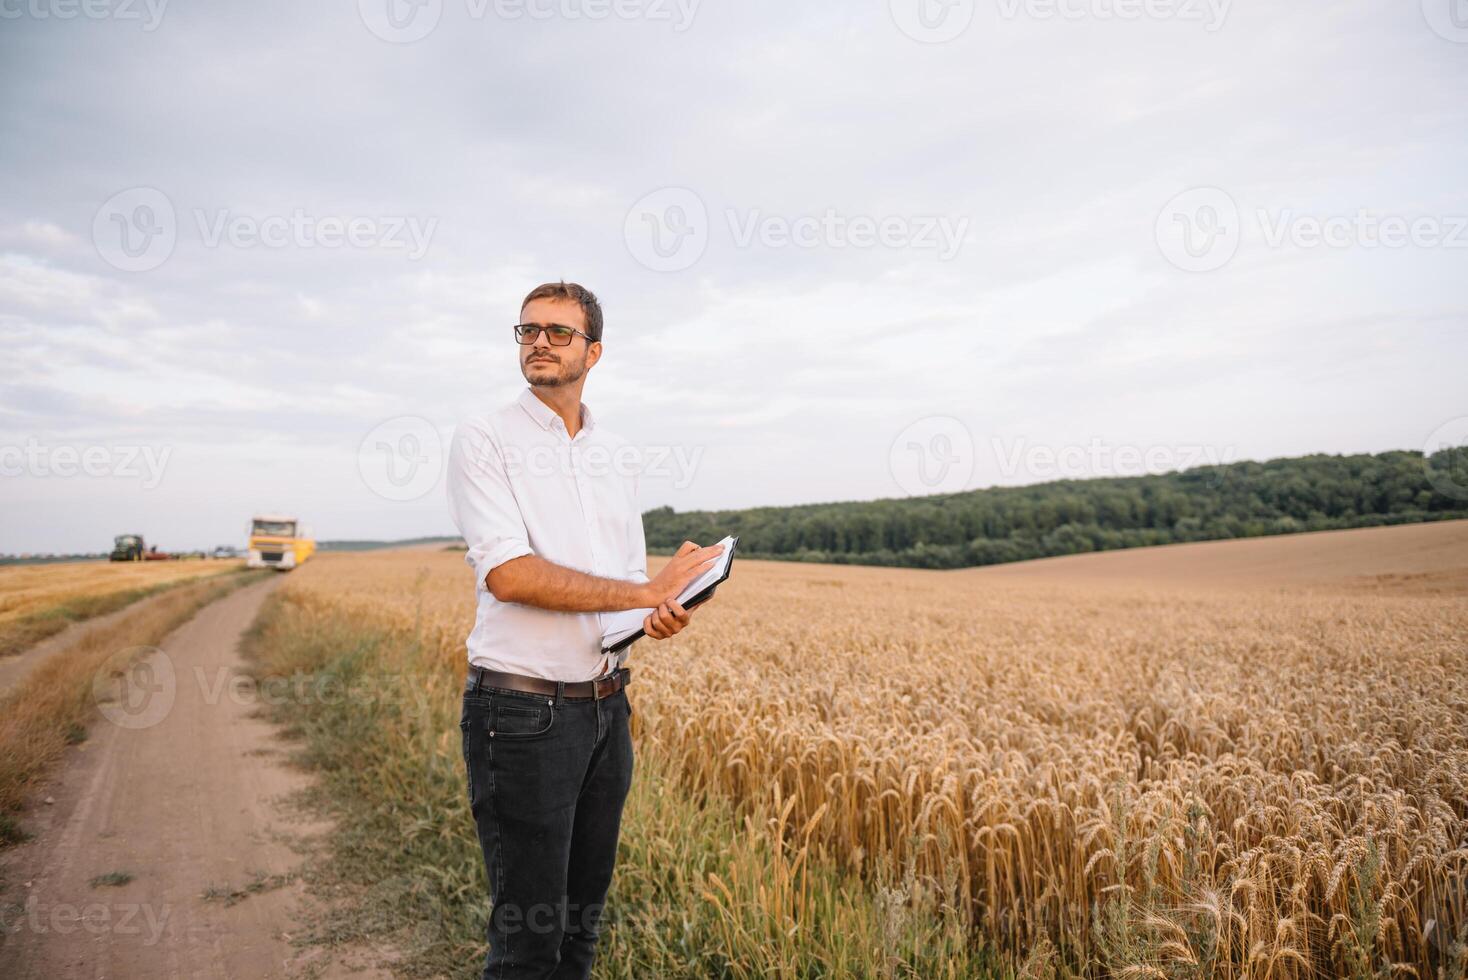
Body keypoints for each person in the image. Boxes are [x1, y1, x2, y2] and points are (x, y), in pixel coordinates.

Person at [445, 280, 723, 979]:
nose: (539, 340)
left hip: (605, 709)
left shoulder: (616, 453)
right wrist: (643, 588)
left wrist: (661, 609)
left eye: (558, 331)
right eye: (527, 329)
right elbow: (509, 574)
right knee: (527, 947)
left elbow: (622, 587)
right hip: (521, 714)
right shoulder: (484, 437)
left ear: (593, 352)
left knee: (579, 935)